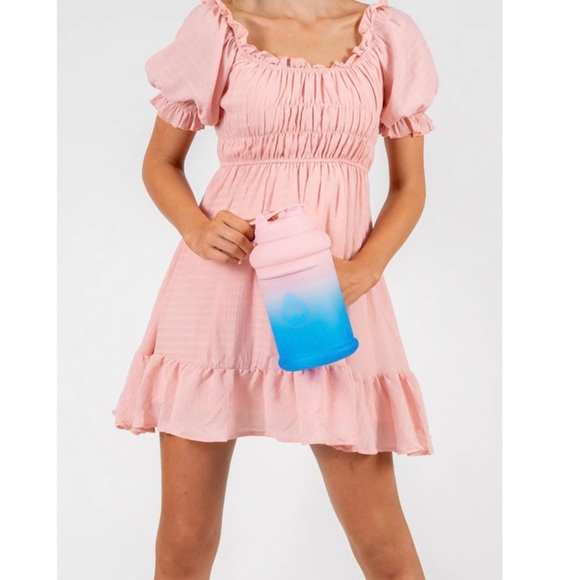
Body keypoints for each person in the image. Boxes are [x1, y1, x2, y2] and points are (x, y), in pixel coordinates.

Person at [111, 0, 439, 578]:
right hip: (219, 290)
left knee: (384, 546)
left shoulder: (386, 35)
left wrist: (365, 269)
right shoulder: (219, 26)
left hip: (333, 295)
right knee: (184, 544)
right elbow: (160, 162)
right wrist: (197, 229)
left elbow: (409, 186)